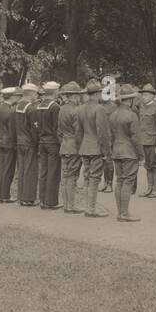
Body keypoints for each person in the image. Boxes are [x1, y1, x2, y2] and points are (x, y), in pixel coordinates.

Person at [78, 79, 112, 218]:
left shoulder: (81, 108)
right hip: (96, 148)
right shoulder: (100, 109)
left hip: (85, 147)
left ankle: (88, 207)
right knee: (94, 178)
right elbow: (102, 132)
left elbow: (78, 132)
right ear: (97, 93)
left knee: (86, 177)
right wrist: (106, 152)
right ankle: (91, 209)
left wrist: (81, 146)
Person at [109, 84, 142, 222]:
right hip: (129, 151)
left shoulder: (113, 114)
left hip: (116, 151)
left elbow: (111, 136)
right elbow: (135, 137)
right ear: (130, 100)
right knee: (128, 182)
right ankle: (124, 213)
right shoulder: (132, 115)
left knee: (120, 181)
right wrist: (141, 154)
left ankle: (120, 212)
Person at [57, 81, 85, 214]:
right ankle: (71, 205)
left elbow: (59, 131)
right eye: (78, 95)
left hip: (64, 145)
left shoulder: (61, 109)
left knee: (65, 176)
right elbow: (79, 133)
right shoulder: (77, 111)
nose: (79, 98)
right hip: (74, 147)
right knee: (72, 177)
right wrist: (81, 149)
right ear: (74, 96)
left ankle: (66, 204)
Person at [36, 82, 62, 209]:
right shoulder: (55, 107)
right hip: (52, 142)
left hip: (42, 141)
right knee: (53, 172)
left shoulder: (40, 105)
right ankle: (51, 201)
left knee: (44, 171)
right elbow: (57, 127)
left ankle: (42, 199)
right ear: (55, 92)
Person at [137, 84, 156, 198]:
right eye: (143, 95)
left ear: (153, 96)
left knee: (155, 166)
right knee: (147, 166)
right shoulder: (142, 108)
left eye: (146, 95)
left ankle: (155, 189)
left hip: (153, 142)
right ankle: (149, 188)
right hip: (144, 142)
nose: (144, 97)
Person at [15, 83, 40, 206]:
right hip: (29, 143)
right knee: (30, 170)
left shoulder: (18, 106)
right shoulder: (31, 109)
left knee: (21, 170)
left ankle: (20, 196)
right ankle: (28, 198)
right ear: (32, 94)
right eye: (36, 93)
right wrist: (37, 143)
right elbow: (34, 129)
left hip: (19, 141)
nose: (36, 96)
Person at [0, 87, 19, 203]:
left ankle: (3, 195)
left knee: (3, 169)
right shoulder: (11, 112)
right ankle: (5, 196)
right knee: (8, 170)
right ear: (12, 97)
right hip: (9, 143)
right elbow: (12, 131)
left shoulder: (0, 110)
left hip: (1, 141)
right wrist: (15, 143)